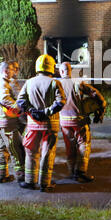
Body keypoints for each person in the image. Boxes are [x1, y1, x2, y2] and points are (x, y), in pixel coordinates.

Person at [16, 54, 66, 192]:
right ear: (51, 67)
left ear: (37, 67)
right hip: (50, 125)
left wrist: (32, 111)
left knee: (31, 152)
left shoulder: (29, 82)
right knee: (47, 153)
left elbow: (20, 101)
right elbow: (61, 102)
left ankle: (29, 181)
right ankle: (45, 183)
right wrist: (47, 111)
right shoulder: (55, 83)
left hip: (33, 125)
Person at [59, 62, 106, 183]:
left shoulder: (56, 84)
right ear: (70, 71)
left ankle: (71, 171)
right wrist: (100, 109)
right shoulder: (78, 83)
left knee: (69, 146)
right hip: (79, 121)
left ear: (61, 72)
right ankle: (80, 172)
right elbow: (96, 95)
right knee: (83, 144)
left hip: (64, 123)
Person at [0, 62, 26, 183]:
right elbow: (5, 99)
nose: (13, 72)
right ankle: (21, 176)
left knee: (1, 148)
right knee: (15, 149)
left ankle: (2, 175)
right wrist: (20, 108)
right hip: (7, 122)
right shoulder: (2, 84)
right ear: (6, 71)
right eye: (11, 70)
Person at [8, 61, 26, 135]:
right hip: (13, 113)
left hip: (17, 112)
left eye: (18, 68)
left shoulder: (14, 81)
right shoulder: (9, 82)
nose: (17, 70)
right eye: (15, 68)